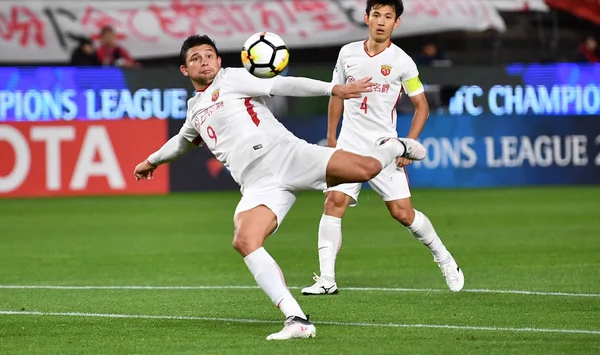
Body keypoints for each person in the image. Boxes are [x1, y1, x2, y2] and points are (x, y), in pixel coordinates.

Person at [133, 34, 427, 340]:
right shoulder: (195, 108)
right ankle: (297, 319)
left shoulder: (233, 78)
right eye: (196, 58)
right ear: (185, 69)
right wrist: (151, 160)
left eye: (209, 55)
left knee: (366, 169)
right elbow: (183, 141)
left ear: (219, 61)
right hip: (259, 183)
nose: (204, 61)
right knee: (245, 239)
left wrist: (333, 89)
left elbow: (283, 85)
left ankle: (397, 146)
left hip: (287, 154)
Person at [301, 0, 464, 297]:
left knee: (402, 213)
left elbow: (422, 107)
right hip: (348, 146)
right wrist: (333, 139)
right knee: (333, 203)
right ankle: (326, 279)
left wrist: (408, 145)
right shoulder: (347, 53)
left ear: (396, 24)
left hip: (384, 148)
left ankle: (445, 258)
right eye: (376, 14)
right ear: (366, 18)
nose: (381, 21)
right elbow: (336, 95)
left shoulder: (402, 62)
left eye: (388, 17)